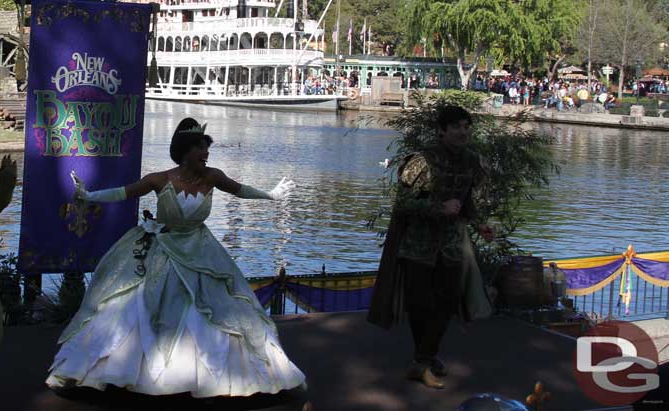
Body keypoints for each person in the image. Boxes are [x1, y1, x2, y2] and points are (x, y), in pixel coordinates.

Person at [46, 118, 306, 397]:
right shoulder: (160, 179)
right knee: (135, 304)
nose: (205, 155)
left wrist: (271, 195)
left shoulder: (213, 177)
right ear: (185, 152)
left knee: (218, 306)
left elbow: (240, 190)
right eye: (200, 149)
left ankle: (222, 375)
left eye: (206, 150)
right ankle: (116, 368)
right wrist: (89, 195)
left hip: (201, 249)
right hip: (164, 248)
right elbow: (126, 192)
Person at [367, 105, 493, 390]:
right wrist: (439, 207)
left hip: (450, 244)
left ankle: (423, 359)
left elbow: (467, 201)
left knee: (448, 300)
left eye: (466, 127)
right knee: (419, 303)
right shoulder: (422, 161)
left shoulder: (471, 161)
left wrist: (479, 223)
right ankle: (424, 359)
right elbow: (403, 203)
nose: (462, 132)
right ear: (441, 130)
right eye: (456, 127)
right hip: (418, 244)